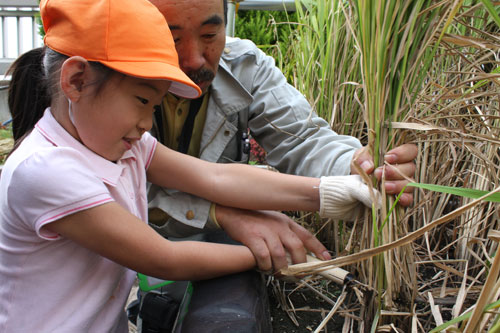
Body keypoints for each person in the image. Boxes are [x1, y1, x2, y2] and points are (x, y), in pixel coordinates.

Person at [0, 0, 375, 331]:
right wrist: (271, 255)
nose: (148, 123)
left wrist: (330, 191)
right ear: (77, 81)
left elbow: (214, 177)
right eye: (141, 101)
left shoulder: (125, 143)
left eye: (154, 106)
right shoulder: (46, 172)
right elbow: (165, 258)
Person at [135, 0, 417, 330]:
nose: (195, 59)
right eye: (172, 39)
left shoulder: (244, 65)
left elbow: (300, 139)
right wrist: (225, 214)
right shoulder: (110, 87)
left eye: (210, 34)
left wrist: (358, 167)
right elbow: (124, 190)